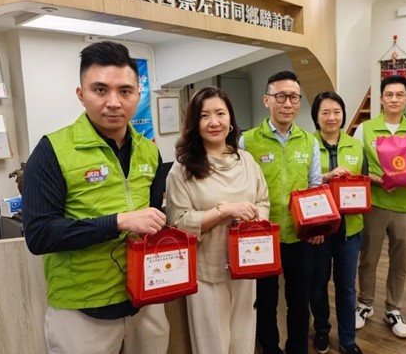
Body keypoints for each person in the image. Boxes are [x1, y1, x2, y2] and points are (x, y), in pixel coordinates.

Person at [22, 41, 170, 354]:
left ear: (138, 94)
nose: (114, 102)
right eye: (100, 90)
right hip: (82, 309)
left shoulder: (149, 151)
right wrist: (118, 222)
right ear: (81, 94)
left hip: (146, 298)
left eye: (125, 91)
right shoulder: (53, 150)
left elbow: (153, 218)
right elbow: (39, 235)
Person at [166, 86, 269, 354]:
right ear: (194, 123)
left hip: (246, 266)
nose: (214, 122)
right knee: (213, 345)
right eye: (205, 115)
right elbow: (178, 223)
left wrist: (253, 219)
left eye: (220, 113)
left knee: (243, 341)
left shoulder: (246, 161)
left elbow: (263, 201)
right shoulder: (182, 169)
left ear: (230, 119)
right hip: (207, 273)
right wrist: (225, 211)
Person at [239, 70, 322, 354]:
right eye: (281, 96)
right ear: (267, 100)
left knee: (299, 300)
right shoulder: (247, 141)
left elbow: (315, 186)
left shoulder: (309, 141)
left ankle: (297, 348)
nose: (288, 103)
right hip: (261, 237)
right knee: (265, 300)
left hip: (300, 236)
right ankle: (270, 348)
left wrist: (315, 226)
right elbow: (241, 187)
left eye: (294, 97)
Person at [353, 75, 406, 339]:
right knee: (368, 257)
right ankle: (365, 304)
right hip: (374, 202)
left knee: (400, 260)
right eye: (389, 94)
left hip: (404, 205)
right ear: (381, 99)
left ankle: (393, 309)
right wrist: (375, 179)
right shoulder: (365, 129)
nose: (394, 99)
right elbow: (356, 165)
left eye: (399, 95)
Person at [309, 92, 368, 354]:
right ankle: (322, 330)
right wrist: (326, 177)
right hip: (319, 230)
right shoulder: (306, 143)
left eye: (336, 112)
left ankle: (347, 339)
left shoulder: (355, 145)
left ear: (343, 115)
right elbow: (303, 184)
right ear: (316, 117)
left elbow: (364, 181)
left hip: (349, 228)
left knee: (346, 286)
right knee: (318, 283)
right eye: (325, 112)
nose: (332, 117)